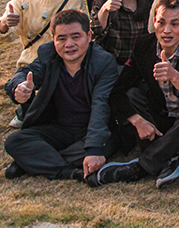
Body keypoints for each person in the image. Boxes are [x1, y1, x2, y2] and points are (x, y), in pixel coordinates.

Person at [93, 0, 179, 188]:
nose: (167, 30)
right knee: (133, 95)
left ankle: (144, 165)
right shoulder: (144, 44)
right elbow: (118, 91)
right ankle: (170, 158)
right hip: (162, 119)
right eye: (161, 22)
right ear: (154, 22)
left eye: (175, 24)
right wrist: (137, 120)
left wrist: (176, 77)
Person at [3, 10, 118, 182]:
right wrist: (19, 87)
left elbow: (101, 106)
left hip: (91, 128)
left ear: (88, 36)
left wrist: (94, 148)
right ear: (53, 39)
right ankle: (70, 172)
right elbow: (24, 73)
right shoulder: (48, 55)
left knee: (99, 147)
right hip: (59, 128)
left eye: (76, 37)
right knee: (14, 141)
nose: (69, 44)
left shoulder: (103, 62)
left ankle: (34, 161)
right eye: (61, 39)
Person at [90, 0, 153, 65]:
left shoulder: (149, 2)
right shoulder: (101, 3)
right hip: (112, 65)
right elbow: (96, 32)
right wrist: (105, 10)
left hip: (142, 65)